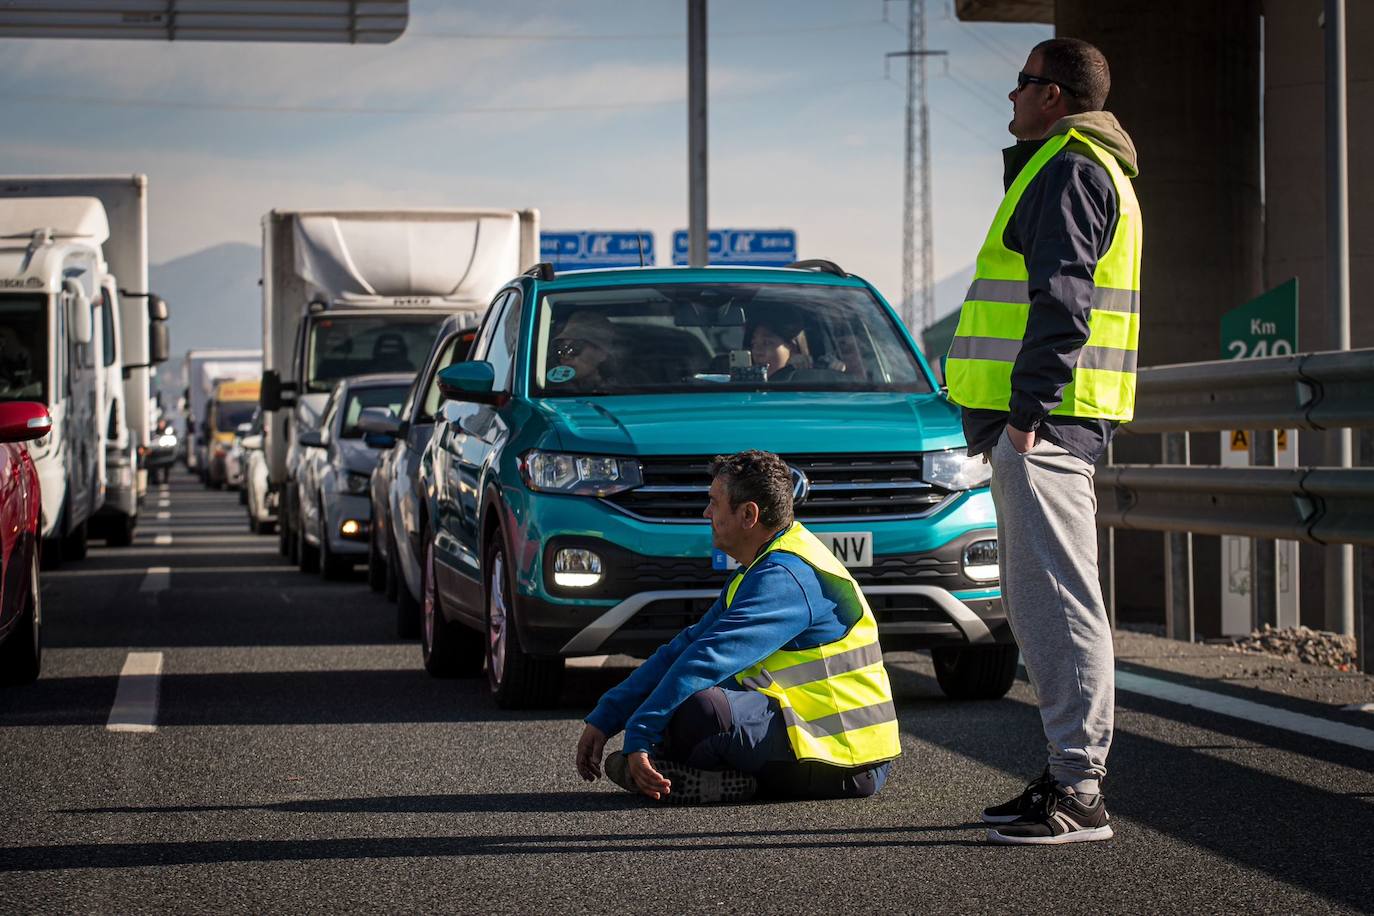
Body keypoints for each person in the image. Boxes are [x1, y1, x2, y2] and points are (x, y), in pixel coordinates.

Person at [944, 37, 1140, 845]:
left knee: (1059, 604)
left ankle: (1081, 792)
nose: (1012, 98)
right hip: (1048, 422)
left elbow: (1063, 304)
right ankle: (1067, 775)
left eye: (1022, 83)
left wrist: (1024, 415)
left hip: (1045, 425)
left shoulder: (1069, 167)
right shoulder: (1084, 167)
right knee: (1043, 603)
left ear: (1054, 95)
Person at [574, 449, 900, 804]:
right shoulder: (762, 567)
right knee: (681, 696)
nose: (706, 513)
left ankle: (701, 775)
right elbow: (684, 649)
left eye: (714, 503)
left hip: (846, 762)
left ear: (748, 514)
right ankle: (690, 771)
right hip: (809, 738)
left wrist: (639, 733)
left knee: (700, 708)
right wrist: (608, 717)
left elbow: (708, 658)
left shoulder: (786, 577)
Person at [549, 311, 616, 391]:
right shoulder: (548, 390)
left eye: (576, 347)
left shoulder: (622, 392)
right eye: (561, 349)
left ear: (602, 354)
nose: (565, 356)